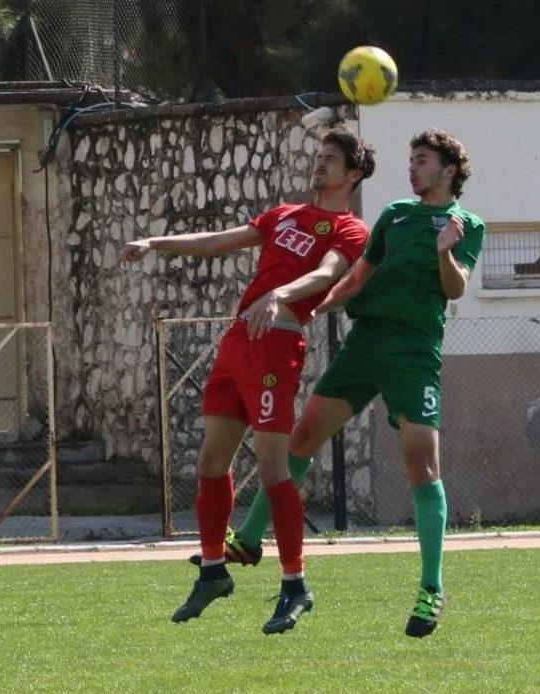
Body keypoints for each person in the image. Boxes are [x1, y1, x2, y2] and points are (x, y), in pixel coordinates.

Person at [208, 128, 485, 638]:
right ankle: (248, 539)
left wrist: (446, 250)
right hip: (365, 344)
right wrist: (313, 306)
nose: (413, 167)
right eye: (411, 159)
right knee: (302, 439)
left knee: (420, 465)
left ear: (448, 170)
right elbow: (358, 277)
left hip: (412, 351)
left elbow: (454, 289)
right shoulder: (396, 215)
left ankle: (431, 590)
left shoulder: (466, 224)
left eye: (422, 160)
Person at [120, 126, 375, 634]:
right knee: (212, 461)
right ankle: (213, 571)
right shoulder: (283, 214)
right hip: (239, 340)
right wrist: (156, 241)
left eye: (331, 158)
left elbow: (327, 274)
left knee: (274, 468)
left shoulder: (350, 229)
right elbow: (219, 241)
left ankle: (295, 585)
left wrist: (281, 294)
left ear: (353, 173)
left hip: (277, 343)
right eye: (318, 155)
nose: (319, 163)